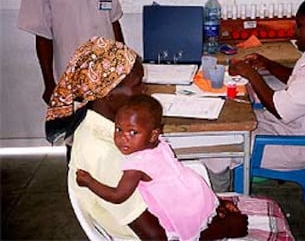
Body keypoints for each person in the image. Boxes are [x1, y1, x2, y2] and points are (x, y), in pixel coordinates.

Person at [45, 36, 249, 240]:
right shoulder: (104, 152)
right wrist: (224, 229)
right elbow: (156, 237)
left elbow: (163, 179)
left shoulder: (110, 129)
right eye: (137, 84)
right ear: (109, 95)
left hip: (169, 215)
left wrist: (207, 208)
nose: (144, 90)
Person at [203, 0, 305, 185]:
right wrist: (267, 64)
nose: (295, 31)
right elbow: (298, 80)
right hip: (284, 128)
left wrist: (251, 74)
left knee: (217, 146)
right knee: (225, 124)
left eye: (300, 26)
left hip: (294, 145)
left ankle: (221, 204)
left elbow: (279, 109)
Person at [76, 94, 242, 240]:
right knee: (206, 219)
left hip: (182, 203)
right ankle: (220, 215)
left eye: (133, 132)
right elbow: (123, 194)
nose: (122, 138)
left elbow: (117, 196)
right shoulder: (156, 145)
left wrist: (89, 182)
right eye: (119, 129)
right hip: (191, 193)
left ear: (153, 134)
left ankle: (220, 224)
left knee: (197, 228)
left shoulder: (136, 164)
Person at [18, 0, 124, 104]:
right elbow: (43, 35)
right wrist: (49, 83)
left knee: (107, 122)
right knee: (77, 122)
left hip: (107, 73)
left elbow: (113, 22)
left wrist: (124, 68)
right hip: (71, 74)